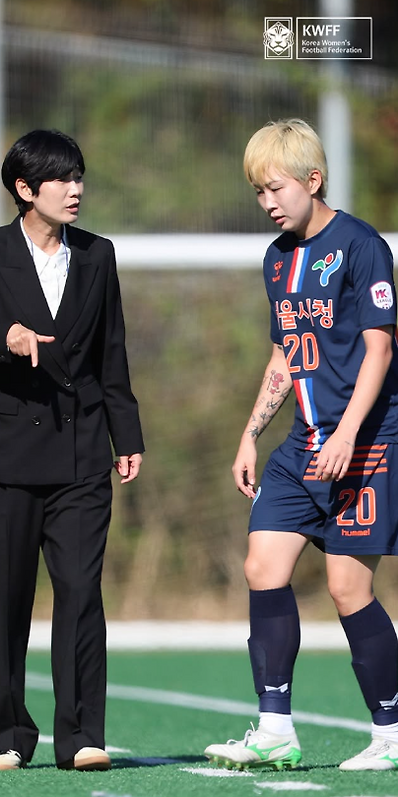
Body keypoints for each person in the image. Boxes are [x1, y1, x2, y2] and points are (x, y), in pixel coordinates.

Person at [0, 129, 144, 772]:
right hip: (1, 454)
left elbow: (111, 351)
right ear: (25, 190)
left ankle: (81, 736)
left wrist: (126, 435)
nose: (75, 188)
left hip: (82, 450)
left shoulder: (99, 255)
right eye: (61, 178)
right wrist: (3, 337)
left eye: (79, 176)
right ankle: (0, 735)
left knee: (81, 592)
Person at [204, 118, 398, 772]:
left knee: (347, 588)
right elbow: (286, 355)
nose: (267, 201)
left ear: (313, 180)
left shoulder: (362, 246)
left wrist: (347, 433)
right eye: (258, 191)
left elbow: (380, 349)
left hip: (367, 442)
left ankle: (392, 732)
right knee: (263, 567)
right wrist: (249, 434)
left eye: (276, 187)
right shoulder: (276, 259)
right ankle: (275, 730)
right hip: (302, 447)